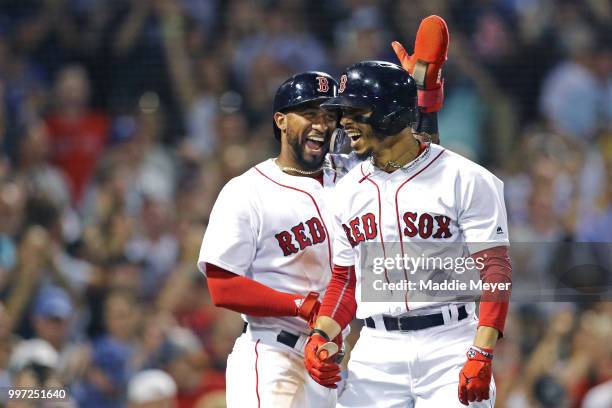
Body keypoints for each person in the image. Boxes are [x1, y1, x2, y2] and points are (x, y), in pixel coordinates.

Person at [304, 60, 512, 407]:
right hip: (376, 350)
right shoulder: (347, 191)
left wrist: (483, 352)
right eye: (343, 113)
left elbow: (496, 272)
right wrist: (320, 334)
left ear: (389, 111)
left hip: (449, 341)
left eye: (356, 111)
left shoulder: (465, 178)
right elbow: (344, 281)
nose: (345, 123)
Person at [197, 71, 350, 407]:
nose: (321, 125)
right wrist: (301, 305)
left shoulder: (352, 183)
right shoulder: (248, 190)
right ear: (281, 120)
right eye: (309, 114)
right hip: (275, 355)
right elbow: (222, 285)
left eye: (329, 116)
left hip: (337, 362)